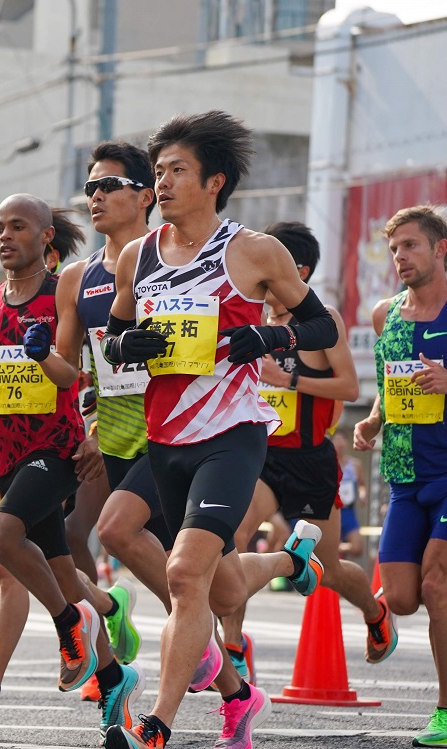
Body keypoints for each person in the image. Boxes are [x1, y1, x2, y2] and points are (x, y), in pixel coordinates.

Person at [98, 110, 339, 749]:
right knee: (222, 583)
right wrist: (131, 343)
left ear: (215, 181)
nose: (164, 183)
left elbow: (322, 329)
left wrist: (267, 334)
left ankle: (161, 723)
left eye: (178, 170)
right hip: (165, 434)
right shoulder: (136, 256)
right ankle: (290, 560)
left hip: (232, 433)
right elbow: (115, 342)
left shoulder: (254, 251)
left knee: (183, 576)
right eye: (158, 172)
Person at [0, 194, 144, 742]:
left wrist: (98, 428)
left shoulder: (66, 292)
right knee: (58, 570)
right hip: (6, 456)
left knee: (0, 536)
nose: (4, 236)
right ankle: (112, 676)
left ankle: (69, 623)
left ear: (45, 237)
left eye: (17, 227)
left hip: (57, 449)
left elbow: (81, 373)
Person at [24, 140, 174, 702]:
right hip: (109, 432)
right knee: (73, 535)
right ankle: (118, 621)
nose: (94, 196)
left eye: (107, 185)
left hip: (172, 429)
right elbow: (70, 373)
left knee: (182, 562)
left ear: (143, 195)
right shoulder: (76, 279)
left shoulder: (173, 262)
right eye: (88, 188)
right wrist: (42, 354)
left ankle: (211, 645)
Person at [221, 221, 397, 681]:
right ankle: (235, 645)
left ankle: (375, 614)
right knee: (230, 537)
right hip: (259, 454)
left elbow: (350, 385)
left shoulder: (323, 322)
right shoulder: (253, 318)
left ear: (295, 270)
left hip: (311, 458)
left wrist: (289, 380)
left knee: (330, 569)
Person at [353, 204, 447, 748]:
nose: (400, 258)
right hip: (406, 478)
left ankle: (445, 709)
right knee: (406, 598)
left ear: (440, 249)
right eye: (394, 249)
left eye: (410, 246)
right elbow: (392, 386)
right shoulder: (384, 314)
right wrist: (371, 419)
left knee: (437, 586)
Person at [332, 429, 367, 558]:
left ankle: (339, 548)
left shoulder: (355, 465)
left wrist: (362, 494)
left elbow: (362, 484)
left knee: (357, 548)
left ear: (346, 443)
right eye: (336, 441)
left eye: (342, 441)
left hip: (348, 511)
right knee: (328, 550)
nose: (339, 445)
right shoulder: (327, 465)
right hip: (332, 511)